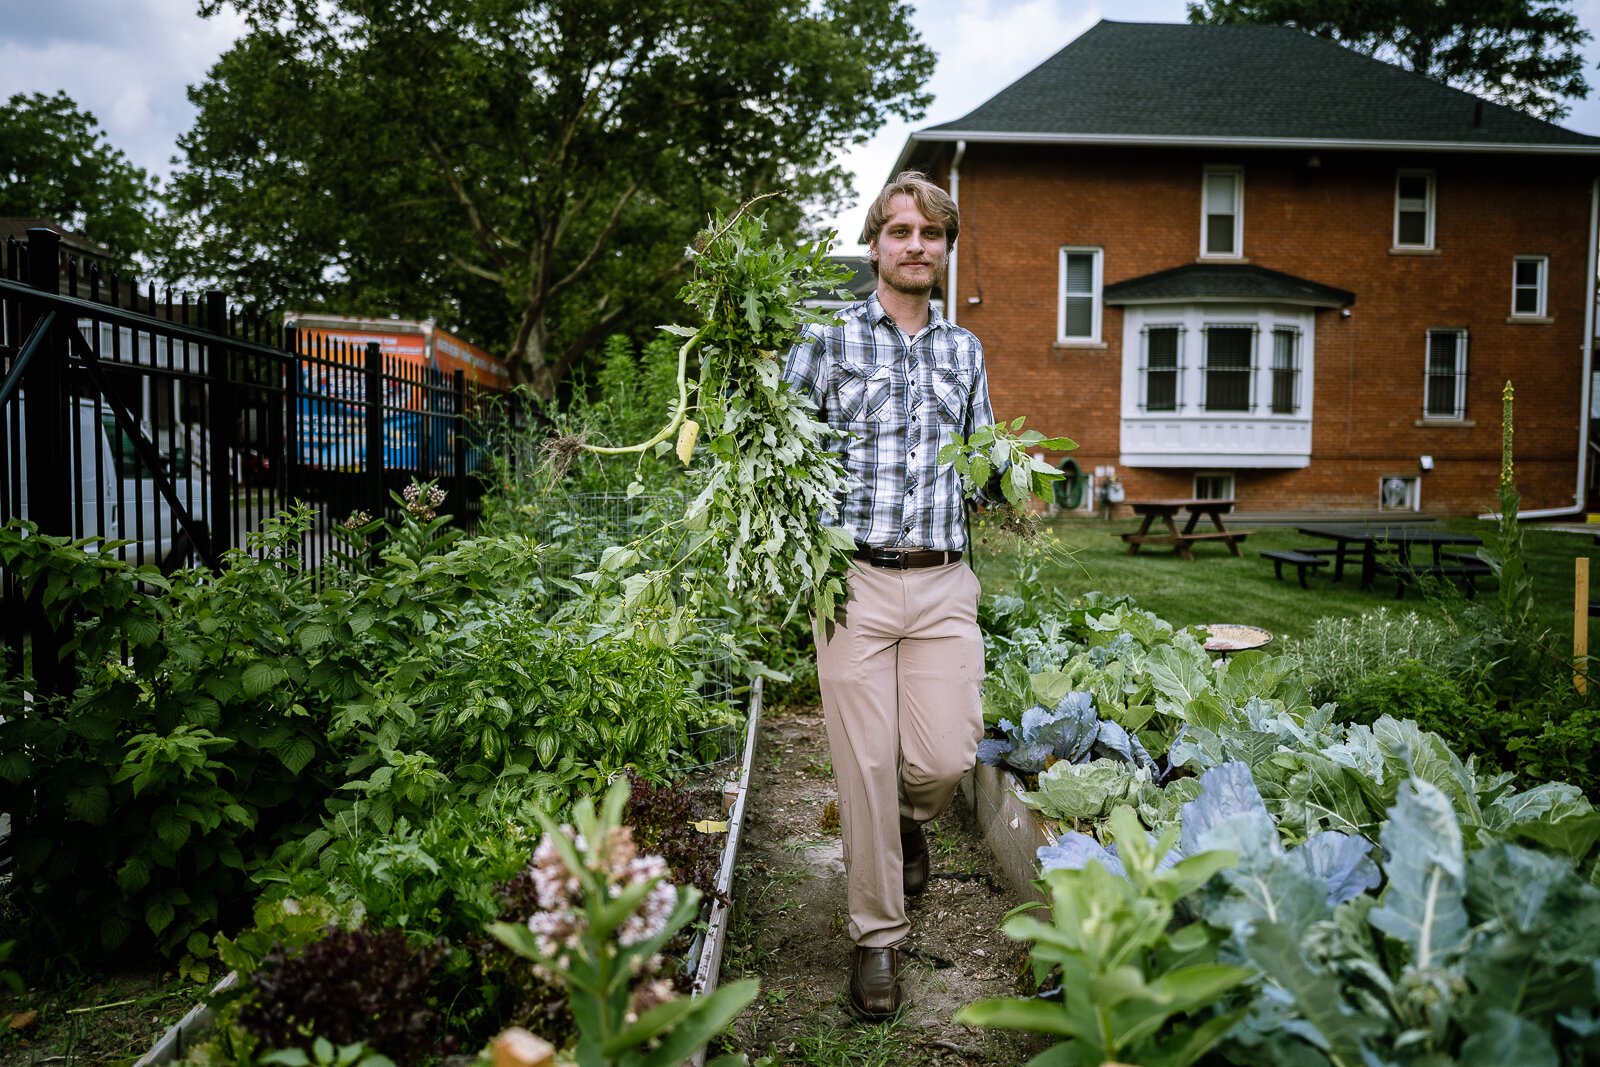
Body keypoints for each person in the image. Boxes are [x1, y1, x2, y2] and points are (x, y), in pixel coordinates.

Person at [781, 171, 992, 1020]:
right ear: (875, 243)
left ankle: (908, 824)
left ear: (943, 248)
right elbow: (777, 443)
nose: (915, 245)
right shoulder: (828, 341)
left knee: (942, 759)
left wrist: (1011, 474)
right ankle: (877, 940)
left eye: (931, 234)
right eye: (899, 230)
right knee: (862, 766)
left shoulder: (965, 351)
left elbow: (982, 464)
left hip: (944, 581)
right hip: (855, 581)